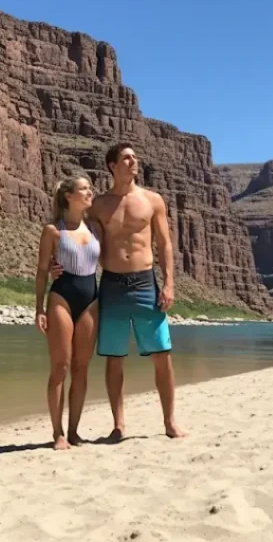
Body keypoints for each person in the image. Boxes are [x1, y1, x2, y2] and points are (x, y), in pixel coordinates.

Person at [52, 143, 186, 441]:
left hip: (144, 284)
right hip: (111, 284)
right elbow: (76, 236)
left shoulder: (152, 201)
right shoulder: (98, 205)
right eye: (126, 158)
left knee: (162, 355)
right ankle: (119, 425)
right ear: (112, 165)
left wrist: (169, 284)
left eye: (135, 157)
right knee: (115, 357)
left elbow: (164, 244)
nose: (133, 161)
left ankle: (169, 422)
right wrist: (54, 262)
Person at [33, 175, 101, 450]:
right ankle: (57, 433)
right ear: (68, 197)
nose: (90, 192)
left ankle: (74, 431)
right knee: (60, 366)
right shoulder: (53, 230)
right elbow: (40, 272)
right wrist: (39, 308)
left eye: (90, 188)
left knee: (81, 368)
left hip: (91, 300)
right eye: (84, 188)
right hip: (62, 297)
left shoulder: (96, 227)